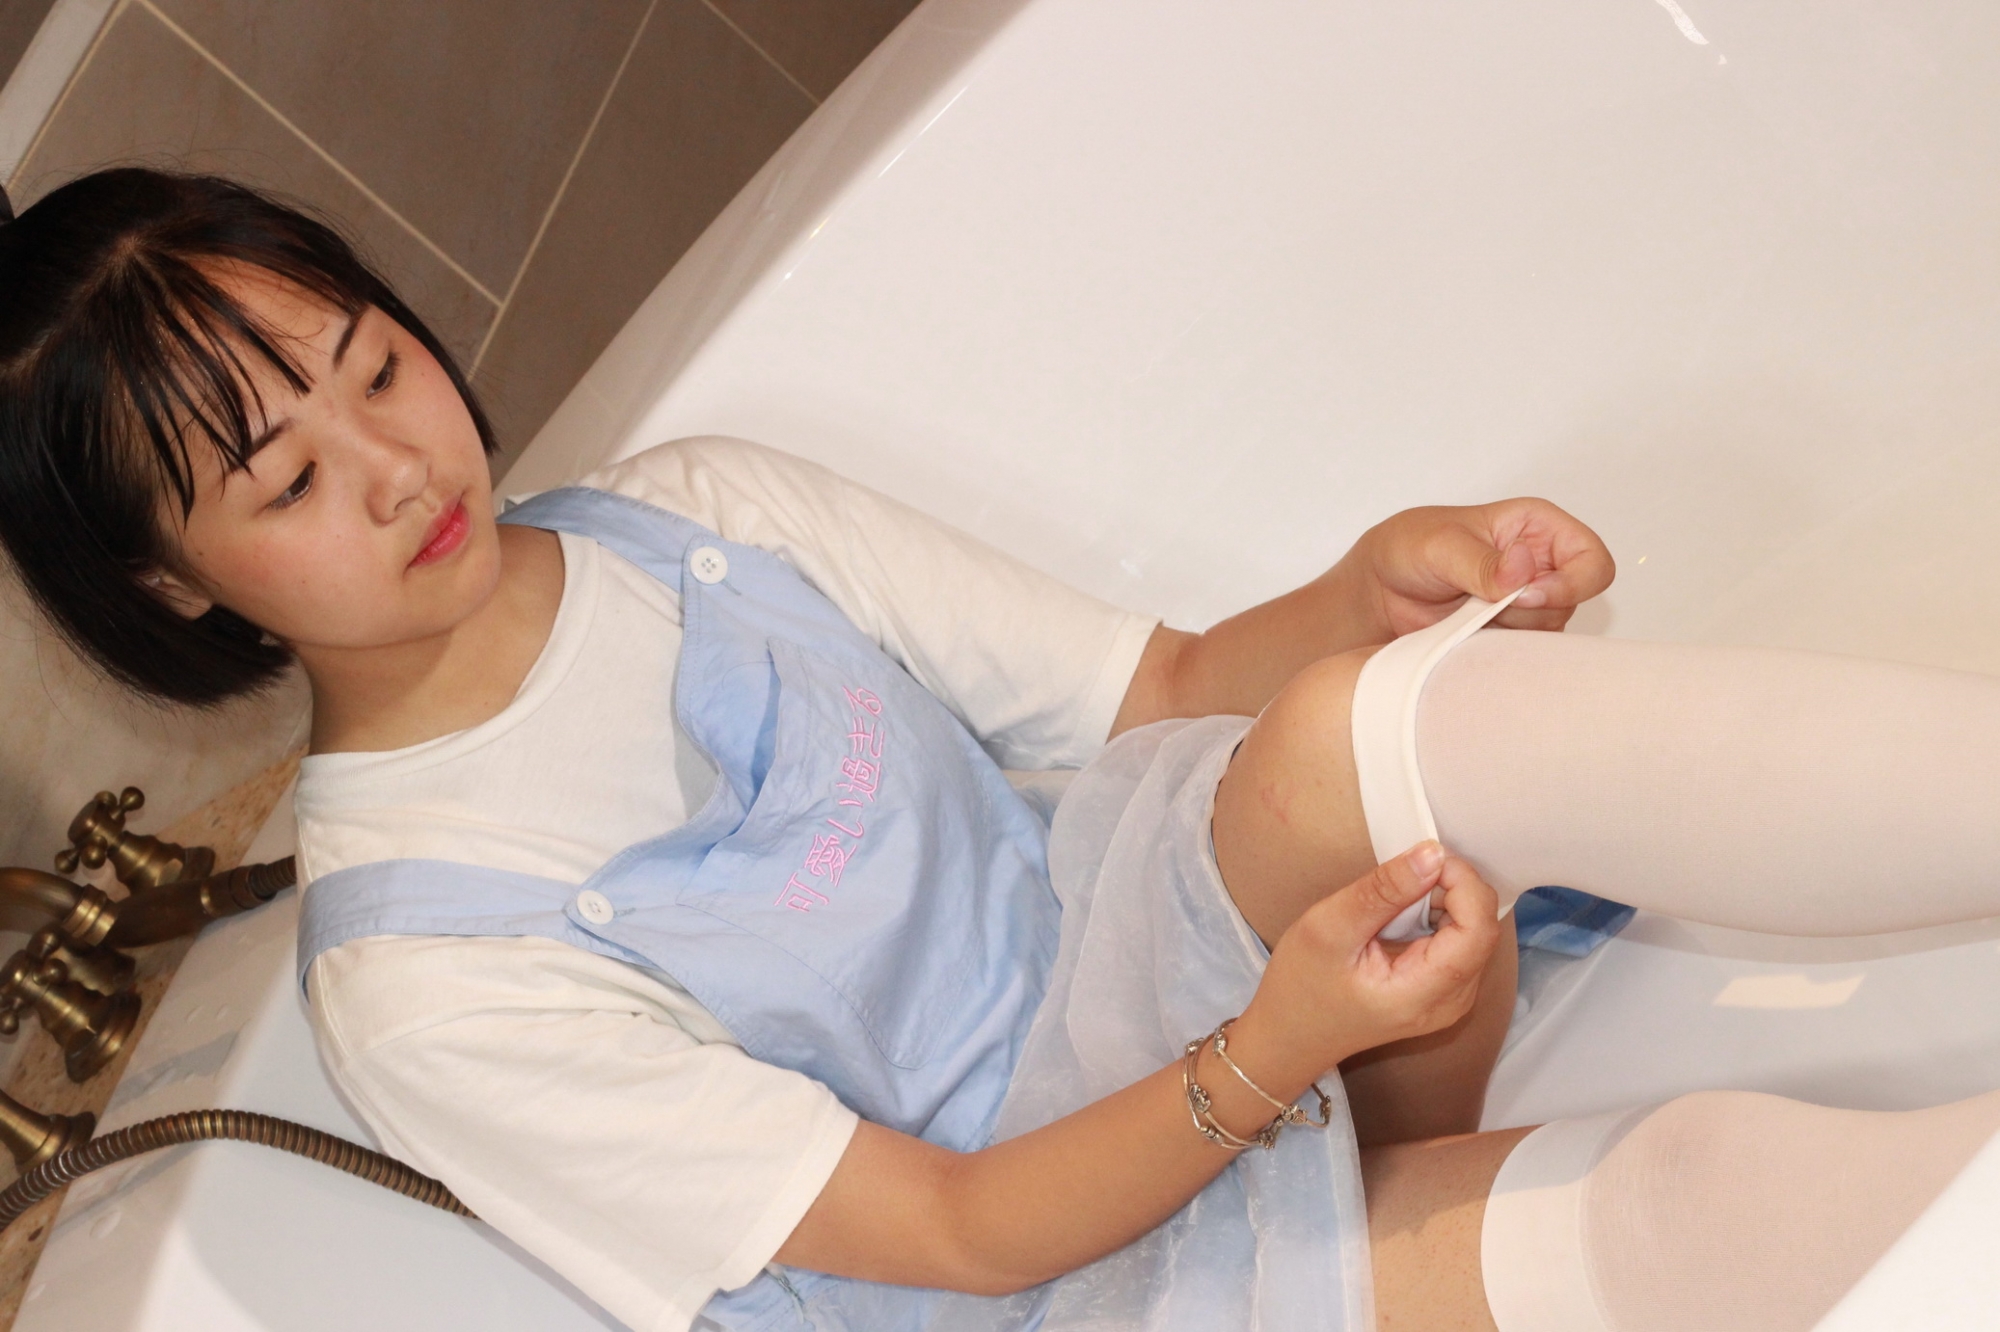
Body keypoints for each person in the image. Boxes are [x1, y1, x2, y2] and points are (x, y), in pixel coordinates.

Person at [3, 167, 1998, 1332]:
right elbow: (955, 1241)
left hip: (1148, 984)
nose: (395, 465)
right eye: (285, 479)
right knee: (1691, 1188)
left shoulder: (697, 513)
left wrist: (1370, 585)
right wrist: (1279, 1047)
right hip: (1044, 1270)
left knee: (1372, 715)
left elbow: (1161, 688)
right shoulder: (423, 980)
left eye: (372, 361)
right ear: (173, 585)